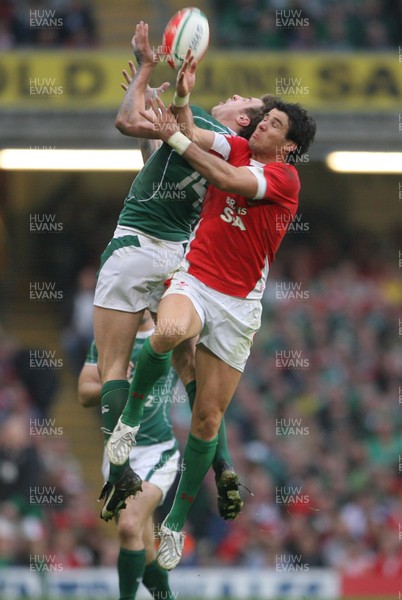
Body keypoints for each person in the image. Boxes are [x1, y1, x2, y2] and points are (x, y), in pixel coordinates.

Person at [106, 53, 317, 570]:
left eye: (274, 123)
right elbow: (194, 135)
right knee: (169, 330)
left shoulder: (285, 181)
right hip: (196, 277)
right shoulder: (239, 143)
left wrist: (175, 136)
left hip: (239, 306)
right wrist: (181, 95)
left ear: (288, 146)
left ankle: (175, 523)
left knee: (206, 418)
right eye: (264, 117)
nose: (264, 122)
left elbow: (228, 182)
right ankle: (128, 425)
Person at [94, 20, 274, 521]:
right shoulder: (231, 157)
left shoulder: (196, 121)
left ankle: (119, 468)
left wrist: (145, 70)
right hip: (179, 260)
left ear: (244, 123)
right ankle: (223, 464)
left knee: (112, 363)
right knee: (190, 368)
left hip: (136, 243)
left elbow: (127, 120)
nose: (234, 96)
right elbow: (161, 158)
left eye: (243, 103)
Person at [78, 311, 179, 600]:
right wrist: (117, 383)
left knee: (128, 525)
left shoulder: (169, 335)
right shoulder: (107, 339)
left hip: (156, 452)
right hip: (117, 456)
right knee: (142, 546)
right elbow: (84, 393)